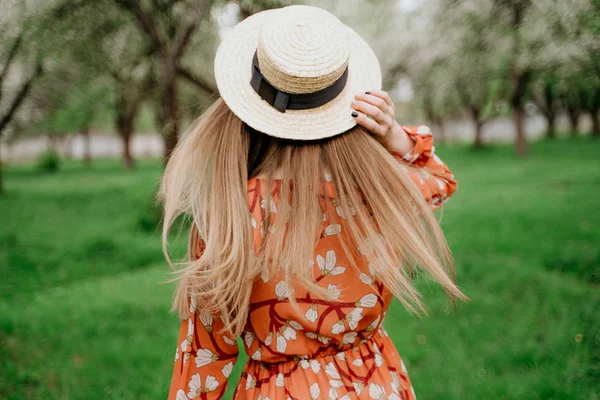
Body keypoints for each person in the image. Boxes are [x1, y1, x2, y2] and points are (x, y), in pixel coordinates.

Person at [160, 5, 466, 400]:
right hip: (374, 384)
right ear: (344, 106)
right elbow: (440, 181)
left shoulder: (233, 216)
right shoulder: (378, 194)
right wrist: (397, 138)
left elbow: (204, 356)